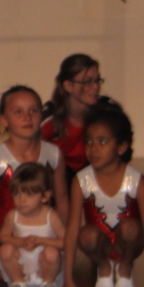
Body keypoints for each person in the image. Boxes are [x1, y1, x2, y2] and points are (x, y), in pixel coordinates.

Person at [63, 105, 144, 287]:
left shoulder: (136, 180)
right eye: (89, 141)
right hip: (99, 244)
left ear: (121, 147)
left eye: (102, 141)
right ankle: (104, 266)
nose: (94, 148)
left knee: (130, 228)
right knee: (86, 234)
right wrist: (67, 279)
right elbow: (72, 230)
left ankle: (125, 266)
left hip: (128, 242)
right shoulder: (81, 181)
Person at [0, 86, 67, 255]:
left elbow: (62, 200)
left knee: (51, 257)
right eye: (18, 112)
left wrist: (65, 238)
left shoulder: (53, 154)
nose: (27, 117)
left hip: (44, 231)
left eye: (33, 111)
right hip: (6, 234)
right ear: (4, 120)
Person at [43, 54, 112, 188]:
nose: (95, 86)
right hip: (56, 180)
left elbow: (122, 151)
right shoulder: (49, 116)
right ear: (68, 86)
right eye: (87, 82)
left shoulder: (108, 112)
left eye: (97, 80)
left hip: (97, 176)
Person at [0, 163, 65, 287]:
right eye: (17, 194)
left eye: (29, 195)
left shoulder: (51, 216)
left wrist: (41, 241)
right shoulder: (13, 215)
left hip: (44, 262)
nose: (21, 200)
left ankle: (48, 282)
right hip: (22, 261)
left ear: (45, 196)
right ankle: (18, 281)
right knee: (5, 250)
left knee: (52, 253)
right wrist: (20, 242)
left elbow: (65, 242)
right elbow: (3, 236)